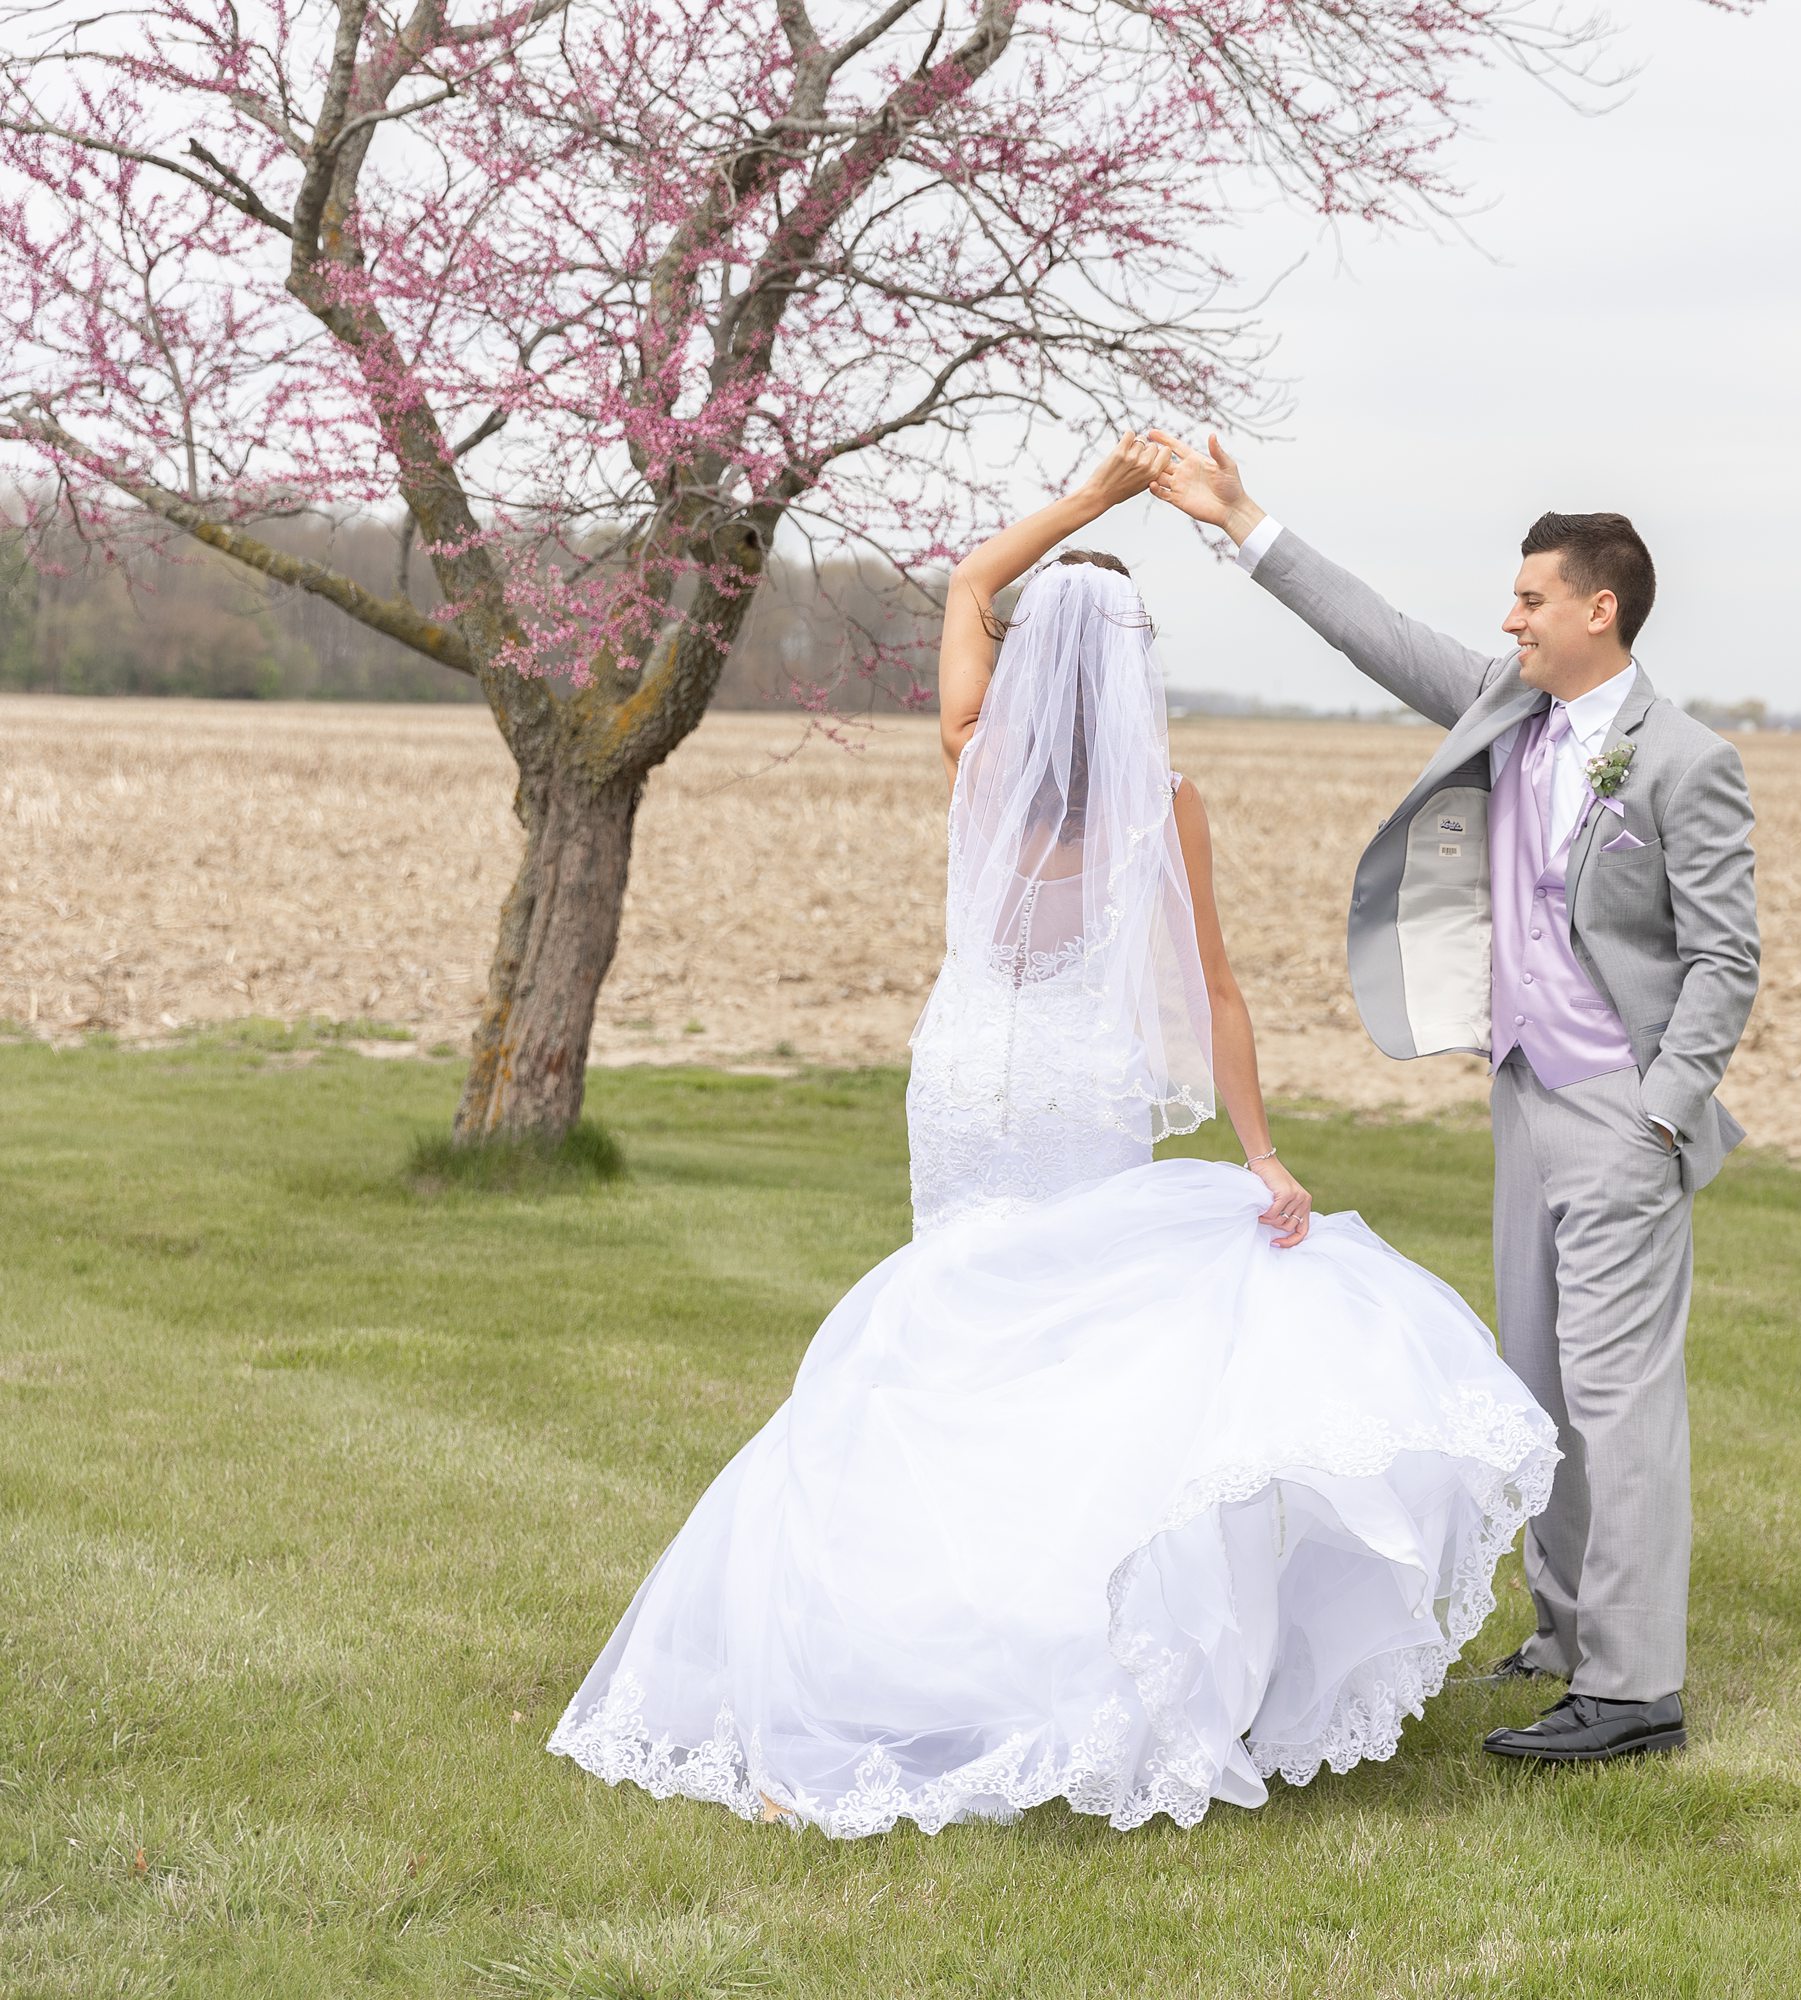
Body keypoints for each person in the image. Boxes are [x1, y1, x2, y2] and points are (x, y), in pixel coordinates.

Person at [546, 440, 1558, 1836]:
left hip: (966, 1076)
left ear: (1029, 662)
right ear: (1135, 668)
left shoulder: (976, 759)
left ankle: (895, 1650)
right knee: (1079, 1350)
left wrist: (1091, 500)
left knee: (950, 1334)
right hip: (1080, 1080)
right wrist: (1261, 1154)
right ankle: (1066, 1655)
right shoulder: (1167, 805)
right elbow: (1215, 994)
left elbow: (969, 577)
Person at [1146, 432, 1759, 1764]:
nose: (1508, 616)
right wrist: (1242, 521)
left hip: (1621, 1112)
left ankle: (1635, 1686)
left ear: (1601, 609)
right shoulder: (1504, 704)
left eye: (1532, 598)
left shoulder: (1683, 762)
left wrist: (1662, 1109)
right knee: (1534, 1384)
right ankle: (1561, 1636)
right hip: (1523, 1101)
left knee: (1620, 1399)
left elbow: (1725, 957)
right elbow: (1375, 633)